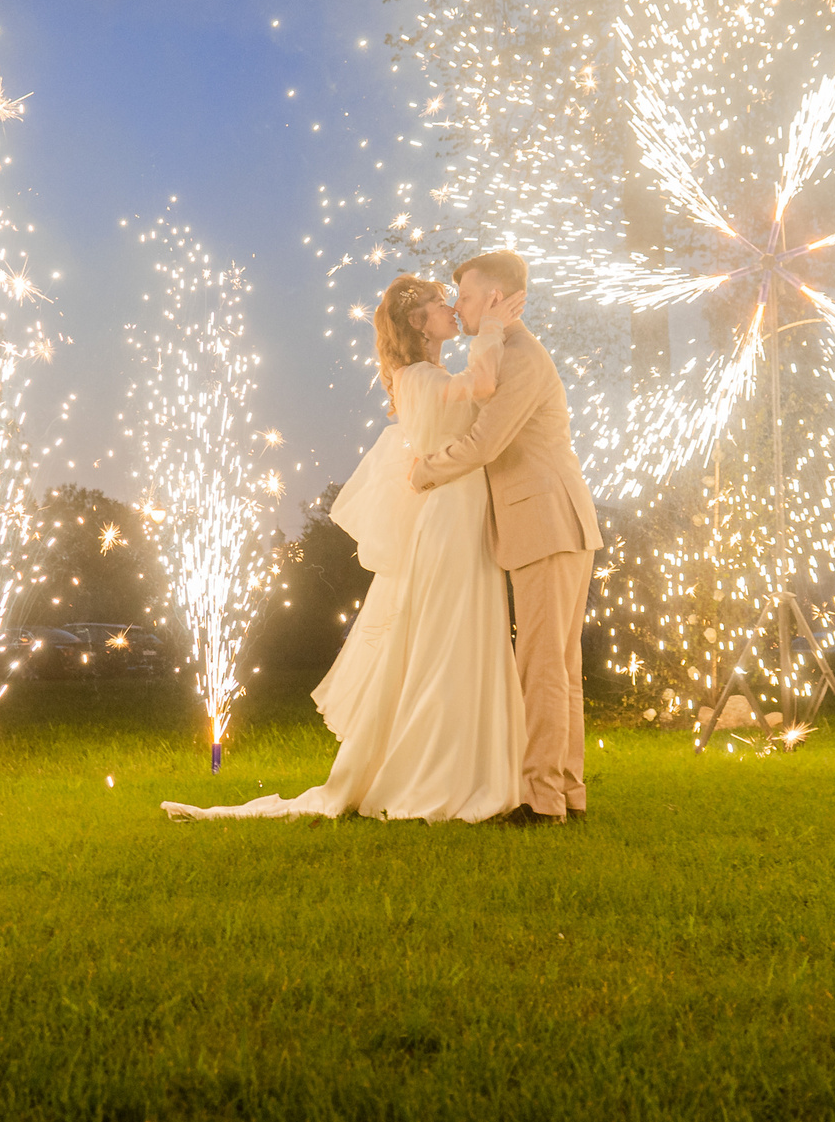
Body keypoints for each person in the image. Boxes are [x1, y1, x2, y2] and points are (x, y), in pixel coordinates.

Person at [161, 272, 528, 823]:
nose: (451, 307)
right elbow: (483, 387)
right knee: (447, 637)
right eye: (438, 303)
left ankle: (470, 763)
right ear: (416, 321)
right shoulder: (420, 378)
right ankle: (437, 770)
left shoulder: (428, 374)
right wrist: (493, 329)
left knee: (460, 634)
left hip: (463, 512)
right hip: (450, 516)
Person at [407, 250, 603, 825]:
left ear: (495, 298)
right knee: (559, 667)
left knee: (542, 666)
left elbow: (486, 444)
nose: (458, 305)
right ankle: (566, 792)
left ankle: (542, 800)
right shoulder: (510, 351)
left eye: (465, 295)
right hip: (558, 522)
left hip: (545, 522)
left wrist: (425, 469)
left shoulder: (520, 357)